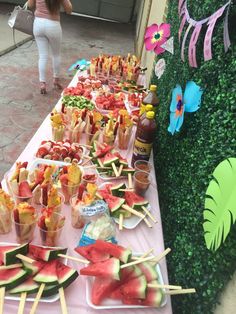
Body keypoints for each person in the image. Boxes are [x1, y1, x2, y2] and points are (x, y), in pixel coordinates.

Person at [27, 0, 72, 94]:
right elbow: (69, 10)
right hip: (53, 25)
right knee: (56, 55)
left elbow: (30, 5)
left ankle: (42, 83)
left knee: (42, 56)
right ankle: (56, 80)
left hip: (38, 24)